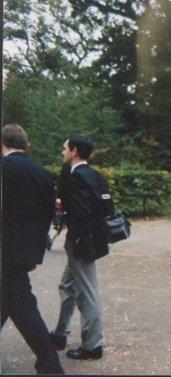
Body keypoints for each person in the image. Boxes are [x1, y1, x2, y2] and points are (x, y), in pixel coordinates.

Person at [1, 124, 65, 374]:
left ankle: (50, 364)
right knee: (9, 300)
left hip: (3, 253)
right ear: (26, 146)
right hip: (24, 252)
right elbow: (48, 214)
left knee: (22, 306)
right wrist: (35, 251)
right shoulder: (41, 173)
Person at [50, 135, 106, 360]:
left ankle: (93, 345)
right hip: (91, 239)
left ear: (74, 151)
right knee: (67, 285)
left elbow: (81, 212)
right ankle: (60, 333)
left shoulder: (75, 178)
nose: (63, 151)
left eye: (65, 148)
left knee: (87, 292)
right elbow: (104, 206)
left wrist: (76, 236)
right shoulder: (95, 175)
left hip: (80, 242)